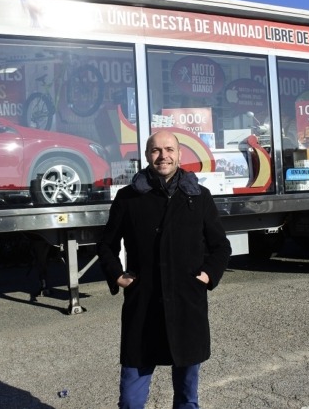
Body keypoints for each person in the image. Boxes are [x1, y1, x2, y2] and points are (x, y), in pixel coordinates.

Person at [97, 130, 232, 408]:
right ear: (147, 156)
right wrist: (118, 276)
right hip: (143, 307)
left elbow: (220, 246)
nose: (163, 156)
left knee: (186, 396)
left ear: (180, 154)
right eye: (156, 150)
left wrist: (206, 277)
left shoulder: (199, 197)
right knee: (131, 400)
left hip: (187, 306)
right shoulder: (128, 197)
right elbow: (106, 245)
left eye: (169, 149)